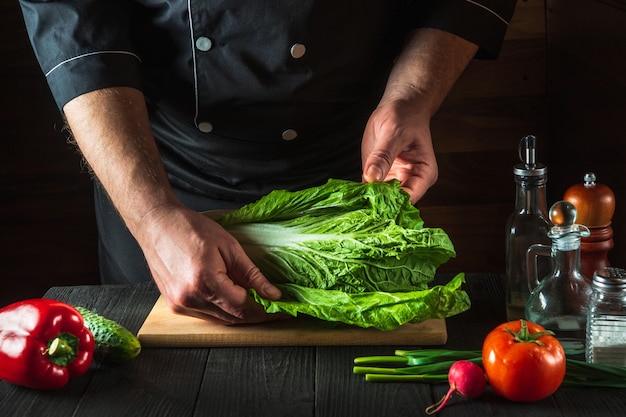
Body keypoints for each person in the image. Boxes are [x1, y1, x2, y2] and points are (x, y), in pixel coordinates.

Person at [19, 1, 517, 325]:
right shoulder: (154, 204)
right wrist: (152, 219)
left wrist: (410, 98)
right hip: (162, 178)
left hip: (347, 176)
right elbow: (72, 24)